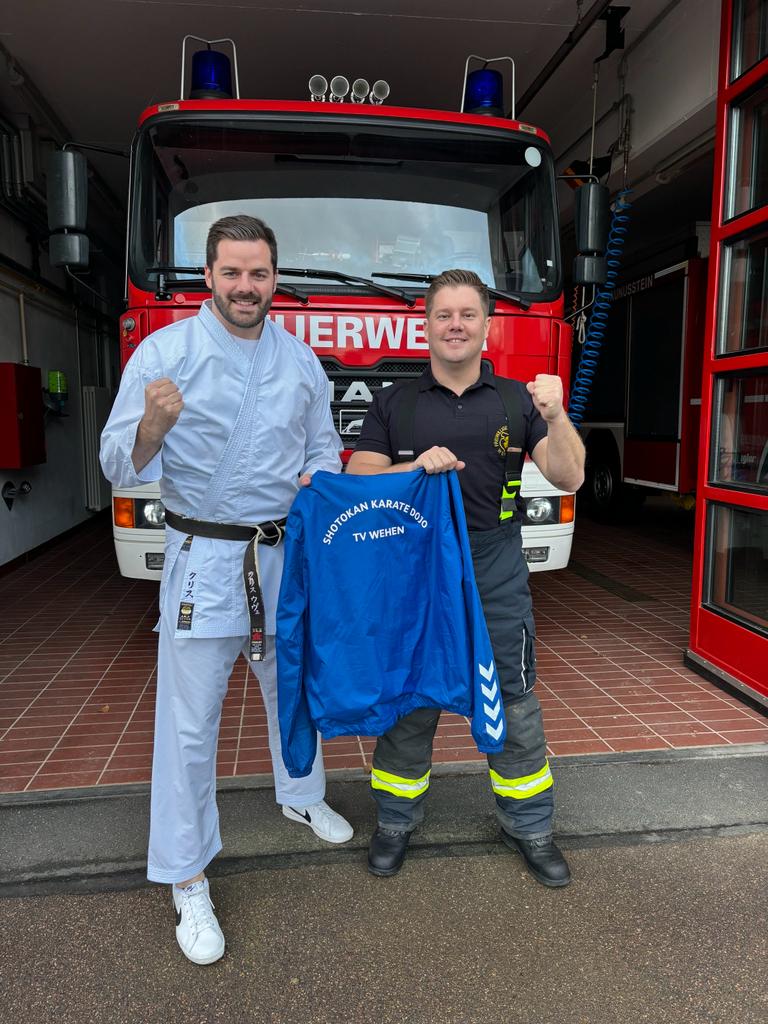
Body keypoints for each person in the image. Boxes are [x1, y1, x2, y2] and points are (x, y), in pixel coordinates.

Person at [100, 215, 353, 965]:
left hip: (280, 552)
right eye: (232, 272)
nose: (247, 287)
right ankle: (187, 878)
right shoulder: (165, 351)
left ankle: (301, 794)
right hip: (205, 557)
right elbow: (119, 463)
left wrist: (322, 473)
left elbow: (322, 446)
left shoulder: (302, 363)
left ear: (276, 279)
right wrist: (150, 426)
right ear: (208, 276)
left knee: (293, 687)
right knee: (188, 726)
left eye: (260, 273)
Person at [346, 268, 585, 887]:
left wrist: (556, 417)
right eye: (444, 314)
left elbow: (570, 477)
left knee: (514, 698)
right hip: (415, 571)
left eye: (468, 315)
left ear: (486, 325)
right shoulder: (395, 401)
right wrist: (411, 465)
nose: (456, 325)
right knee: (409, 698)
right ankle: (395, 822)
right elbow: (358, 473)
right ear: (424, 325)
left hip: (494, 566)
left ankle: (530, 826)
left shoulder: (516, 401)